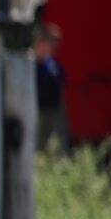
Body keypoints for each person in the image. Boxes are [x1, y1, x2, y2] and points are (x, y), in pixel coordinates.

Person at [34, 22, 68, 151]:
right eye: (52, 42)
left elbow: (61, 86)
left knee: (57, 143)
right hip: (38, 111)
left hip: (54, 110)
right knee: (38, 143)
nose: (55, 46)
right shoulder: (30, 63)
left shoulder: (52, 64)